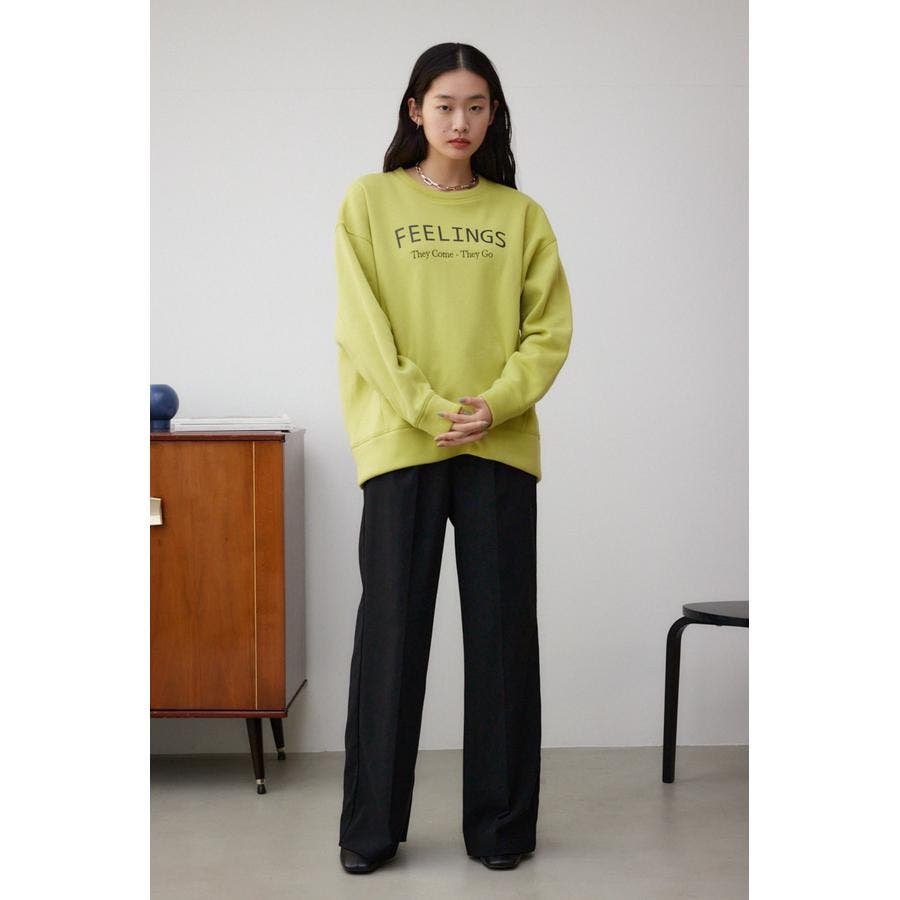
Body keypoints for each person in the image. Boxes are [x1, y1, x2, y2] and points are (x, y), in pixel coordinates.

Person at [333, 42, 573, 875]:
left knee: (503, 637)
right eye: (444, 105)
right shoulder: (369, 202)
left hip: (498, 441)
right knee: (391, 634)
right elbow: (362, 325)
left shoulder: (520, 215)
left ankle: (501, 829)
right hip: (404, 439)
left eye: (476, 105)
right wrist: (431, 408)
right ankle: (369, 831)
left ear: (493, 113)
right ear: (415, 110)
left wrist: (493, 405)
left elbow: (548, 332)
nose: (460, 121)